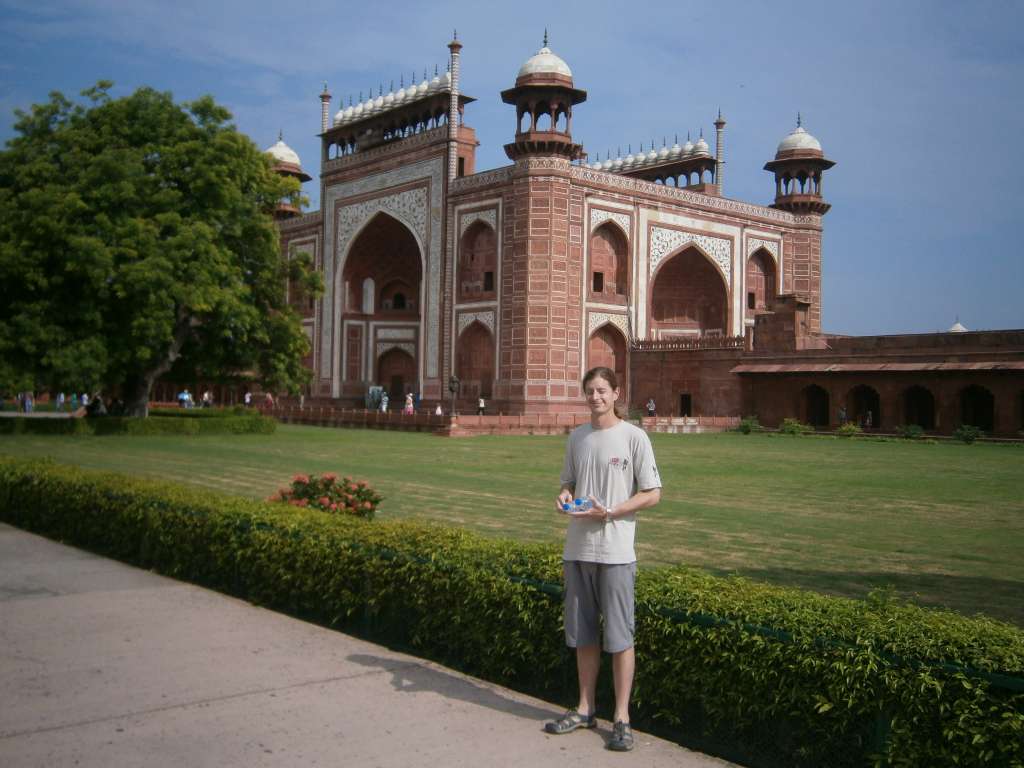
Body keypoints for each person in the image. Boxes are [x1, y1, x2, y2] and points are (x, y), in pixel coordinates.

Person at [545, 366, 662, 752]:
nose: (595, 397)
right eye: (589, 391)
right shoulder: (578, 437)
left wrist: (610, 511)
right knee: (583, 636)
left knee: (619, 637)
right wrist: (564, 497)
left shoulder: (634, 438)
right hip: (577, 548)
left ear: (616, 393)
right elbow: (568, 482)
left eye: (601, 391)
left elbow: (653, 493)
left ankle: (622, 717)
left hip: (615, 551)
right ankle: (584, 708)